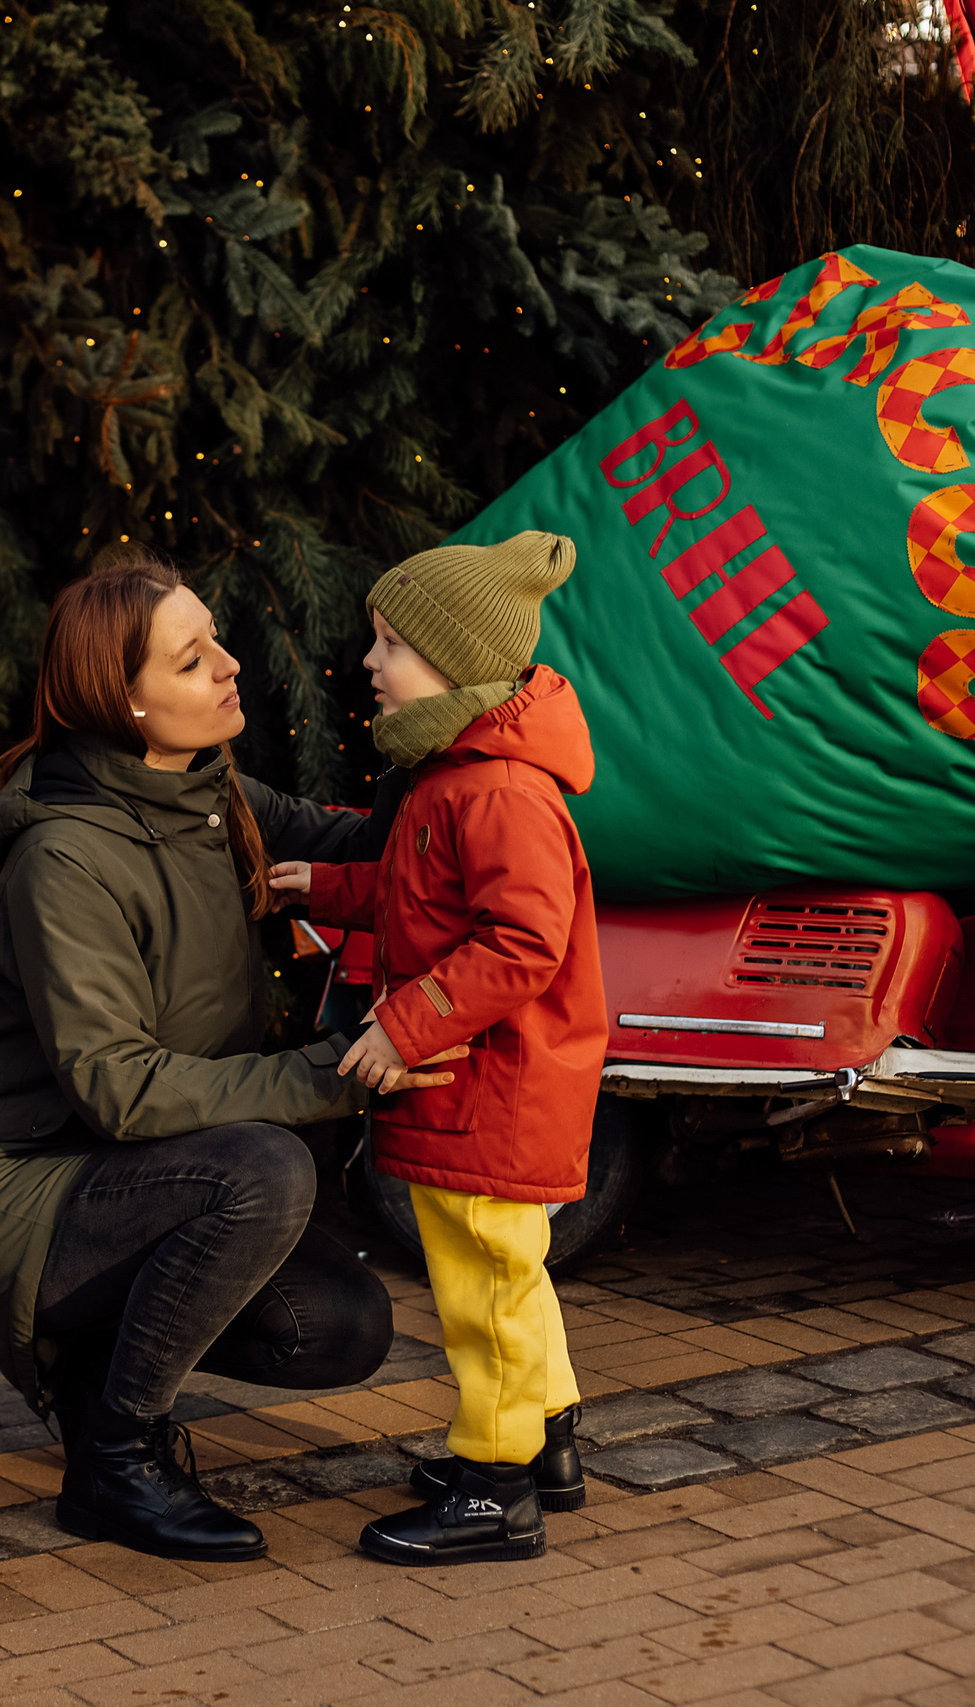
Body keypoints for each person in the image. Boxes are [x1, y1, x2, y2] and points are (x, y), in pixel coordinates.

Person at [0, 547, 459, 1565]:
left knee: (338, 1326)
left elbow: (363, 845)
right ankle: (113, 1463)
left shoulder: (208, 791)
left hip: (139, 1168)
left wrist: (441, 734)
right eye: (192, 657)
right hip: (16, 1187)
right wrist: (336, 1067)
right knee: (263, 1170)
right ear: (124, 702)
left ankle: (90, 1371)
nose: (229, 665)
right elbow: (117, 1088)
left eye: (217, 641)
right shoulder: (65, 857)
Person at [273, 531, 607, 1567]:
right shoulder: (454, 774)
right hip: (483, 1084)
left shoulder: (495, 788)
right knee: (511, 1272)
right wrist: (326, 886)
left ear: (456, 663)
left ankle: (493, 1490)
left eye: (391, 644)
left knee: (484, 1290)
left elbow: (522, 942)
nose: (370, 662)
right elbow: (422, 887)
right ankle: (544, 1443)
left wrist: (403, 1022)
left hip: (491, 1086)